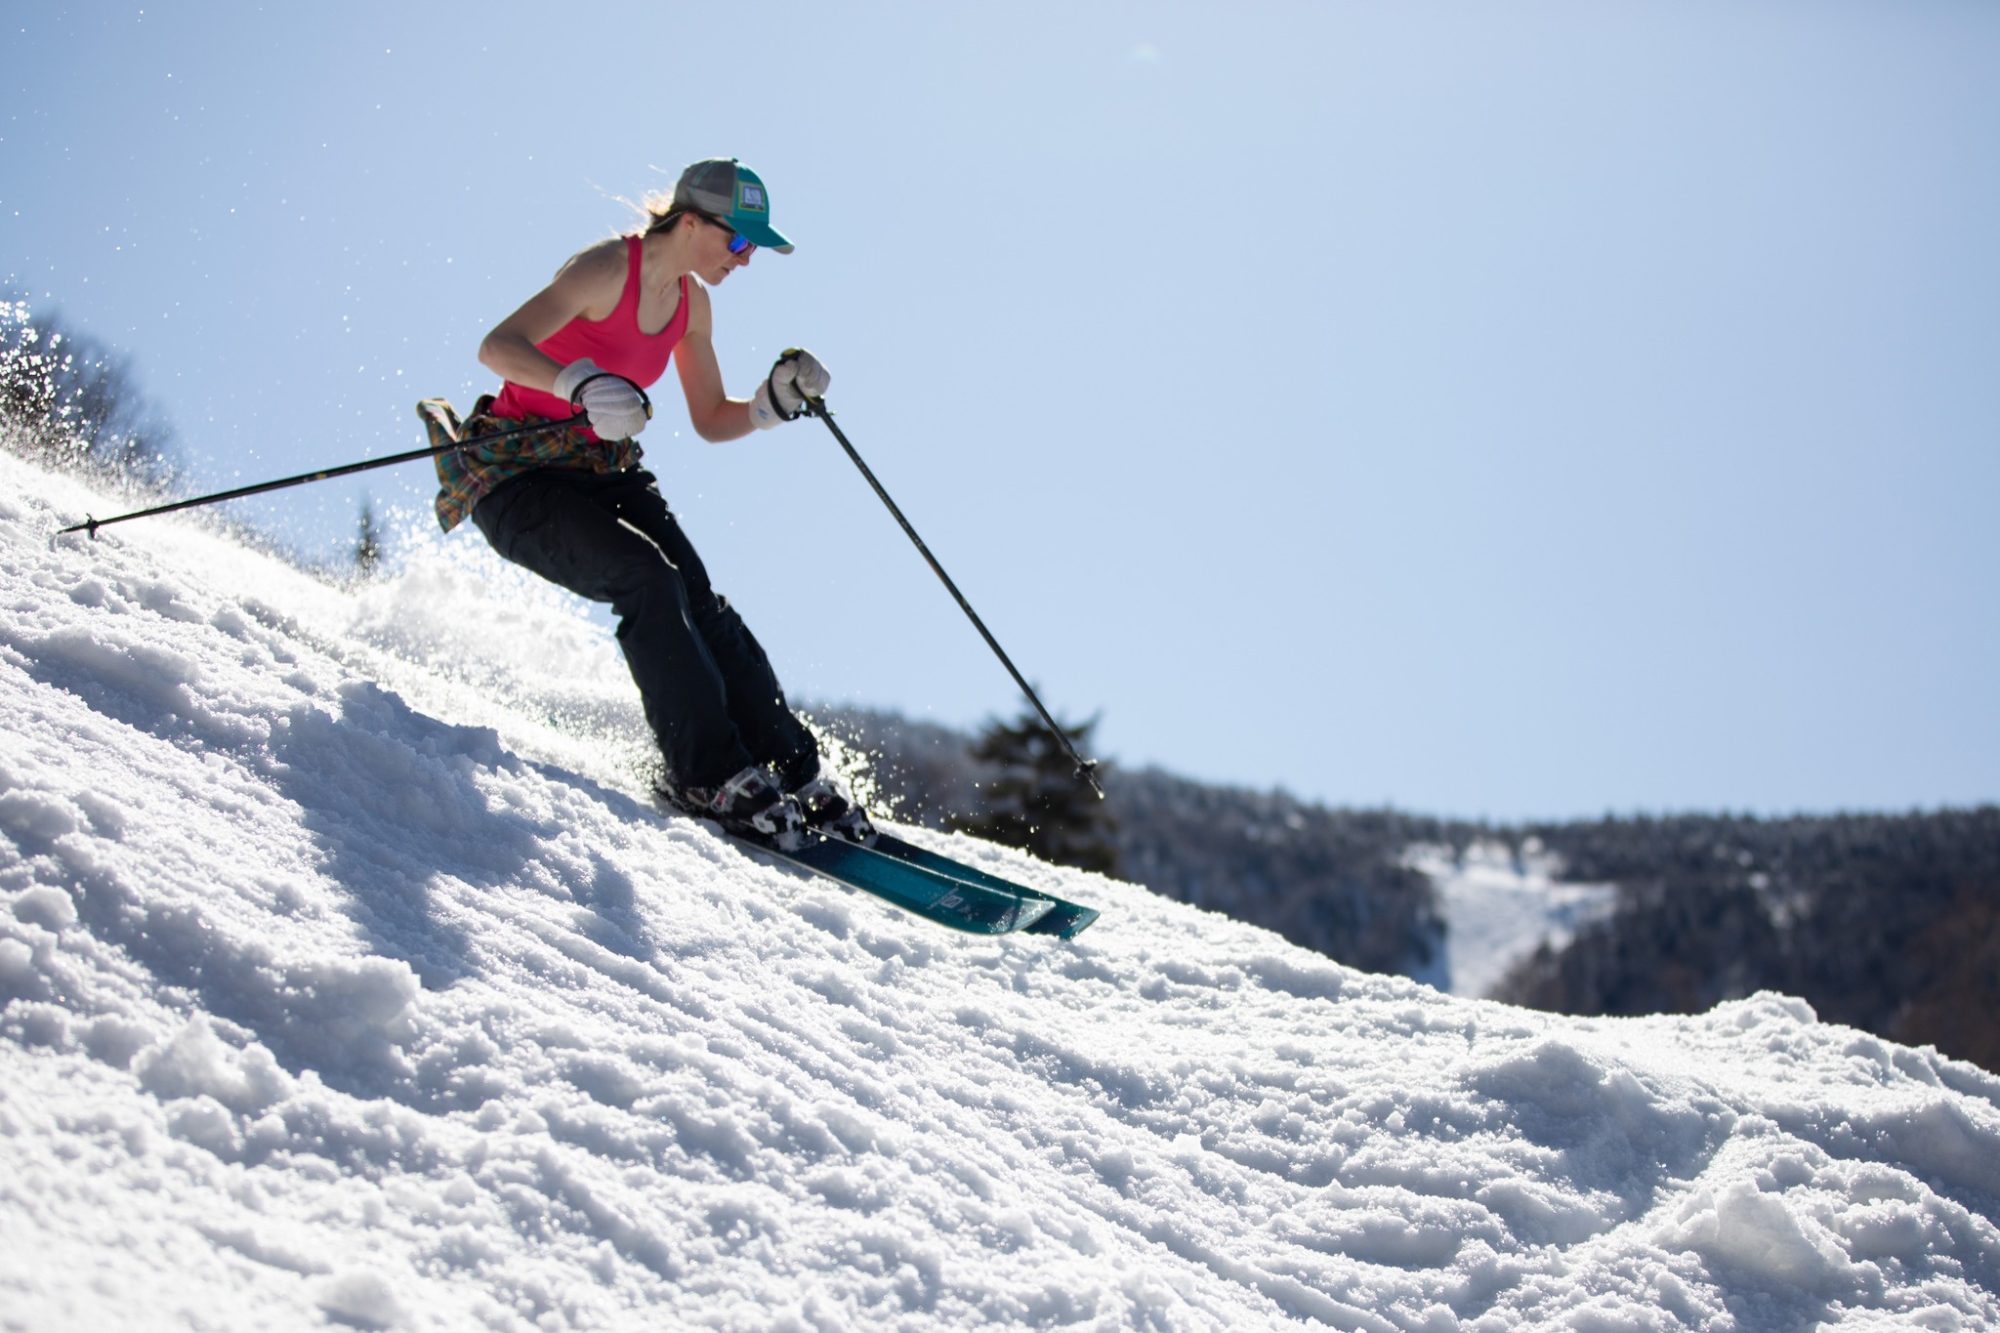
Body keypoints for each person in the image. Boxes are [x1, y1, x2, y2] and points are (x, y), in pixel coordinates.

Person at [415, 157, 872, 849]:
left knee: (700, 601)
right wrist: (577, 383)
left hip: (603, 470)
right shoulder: (606, 270)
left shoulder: (693, 305)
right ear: (692, 222)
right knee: (649, 582)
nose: (745, 261)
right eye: (740, 242)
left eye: (754, 249)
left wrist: (772, 405)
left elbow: (714, 416)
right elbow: (498, 346)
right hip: (516, 477)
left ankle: (794, 773)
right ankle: (707, 776)